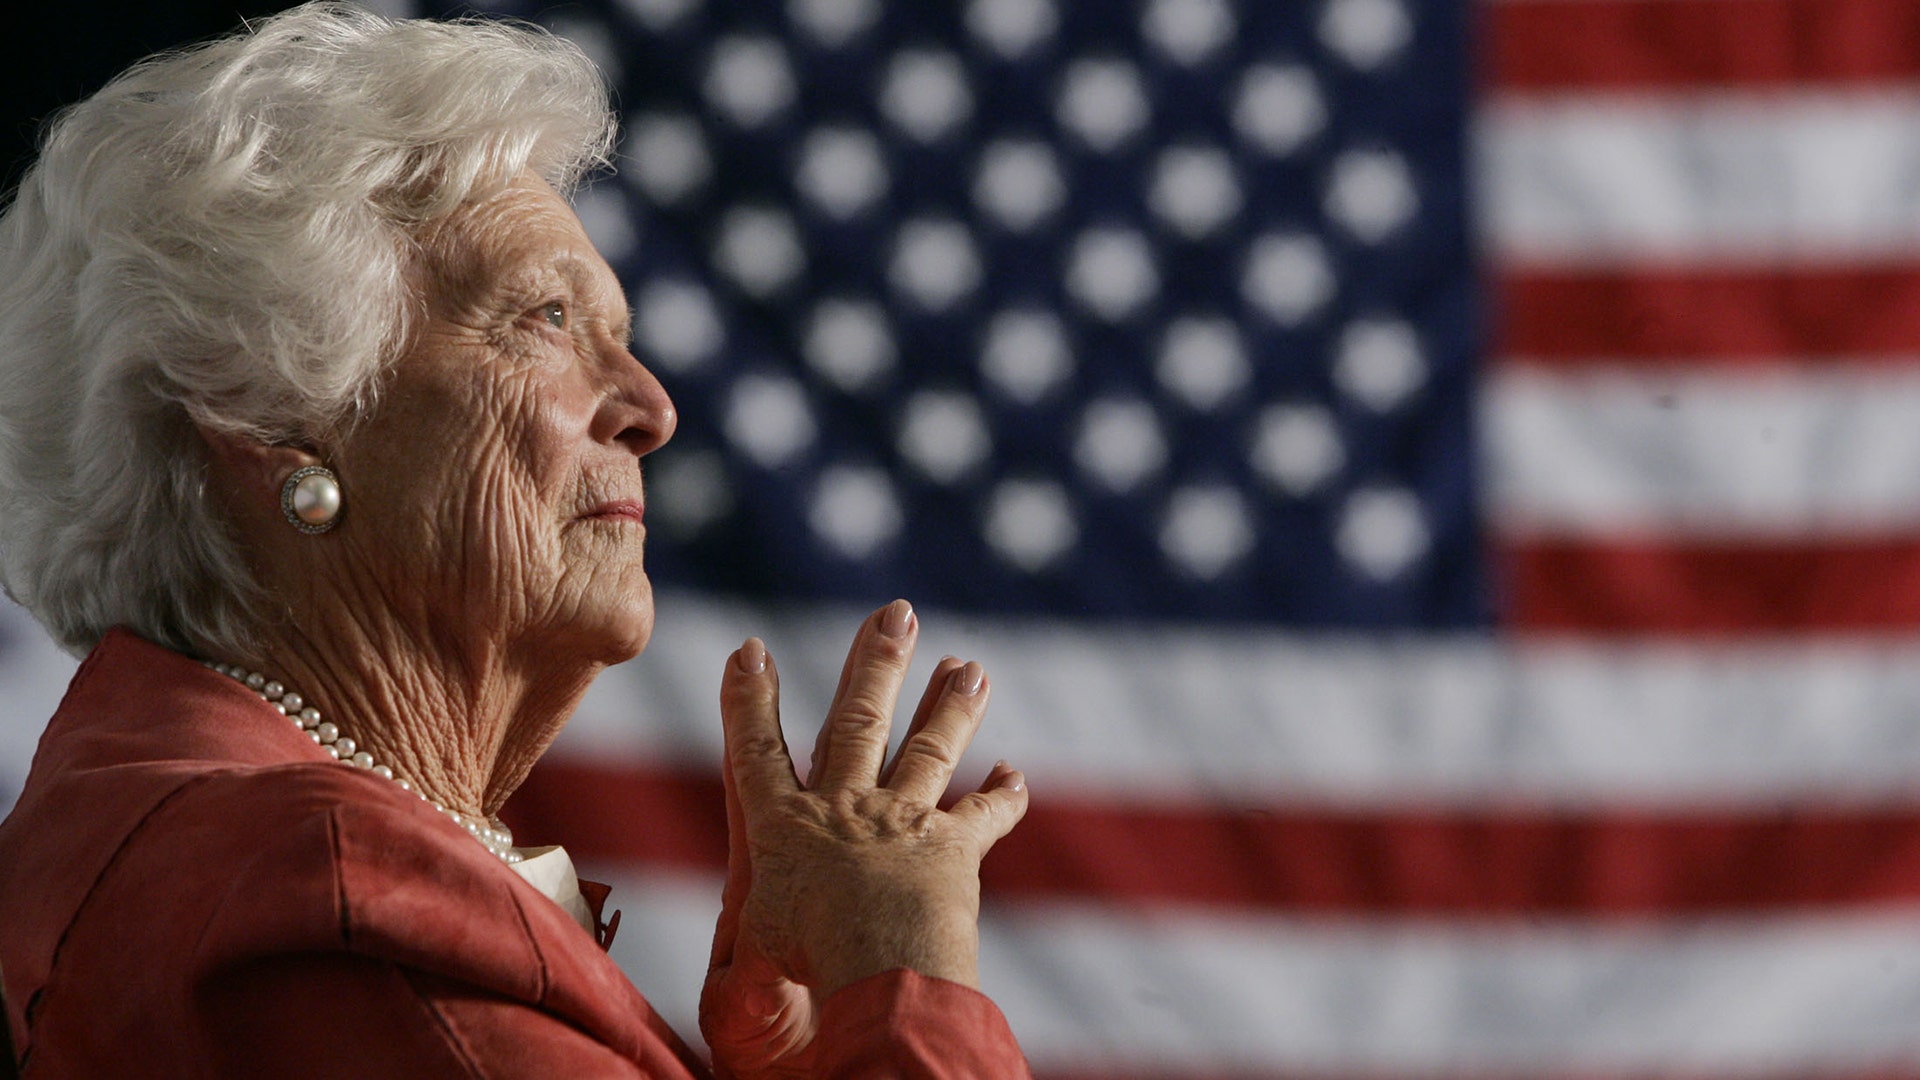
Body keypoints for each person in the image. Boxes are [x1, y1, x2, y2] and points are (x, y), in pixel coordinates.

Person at [0, 4, 1032, 1076]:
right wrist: (905, 984)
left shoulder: (235, 853)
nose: (652, 407)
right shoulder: (334, 897)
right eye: (545, 318)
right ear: (267, 414)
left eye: (619, 341)